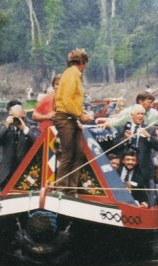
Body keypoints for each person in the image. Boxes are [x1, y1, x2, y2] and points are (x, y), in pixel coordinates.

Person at [54, 48, 93, 190]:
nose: (86, 67)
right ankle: (62, 187)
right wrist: (81, 115)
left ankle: (72, 187)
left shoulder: (74, 75)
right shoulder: (71, 75)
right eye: (85, 63)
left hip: (71, 118)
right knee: (68, 153)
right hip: (65, 118)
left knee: (78, 153)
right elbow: (67, 99)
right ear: (81, 62)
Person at [0, 102, 39, 189]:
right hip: (6, 173)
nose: (17, 120)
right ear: (10, 116)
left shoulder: (31, 128)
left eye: (20, 117)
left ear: (24, 115)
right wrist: (6, 126)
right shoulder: (7, 129)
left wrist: (25, 129)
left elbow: (37, 143)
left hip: (27, 172)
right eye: (15, 118)